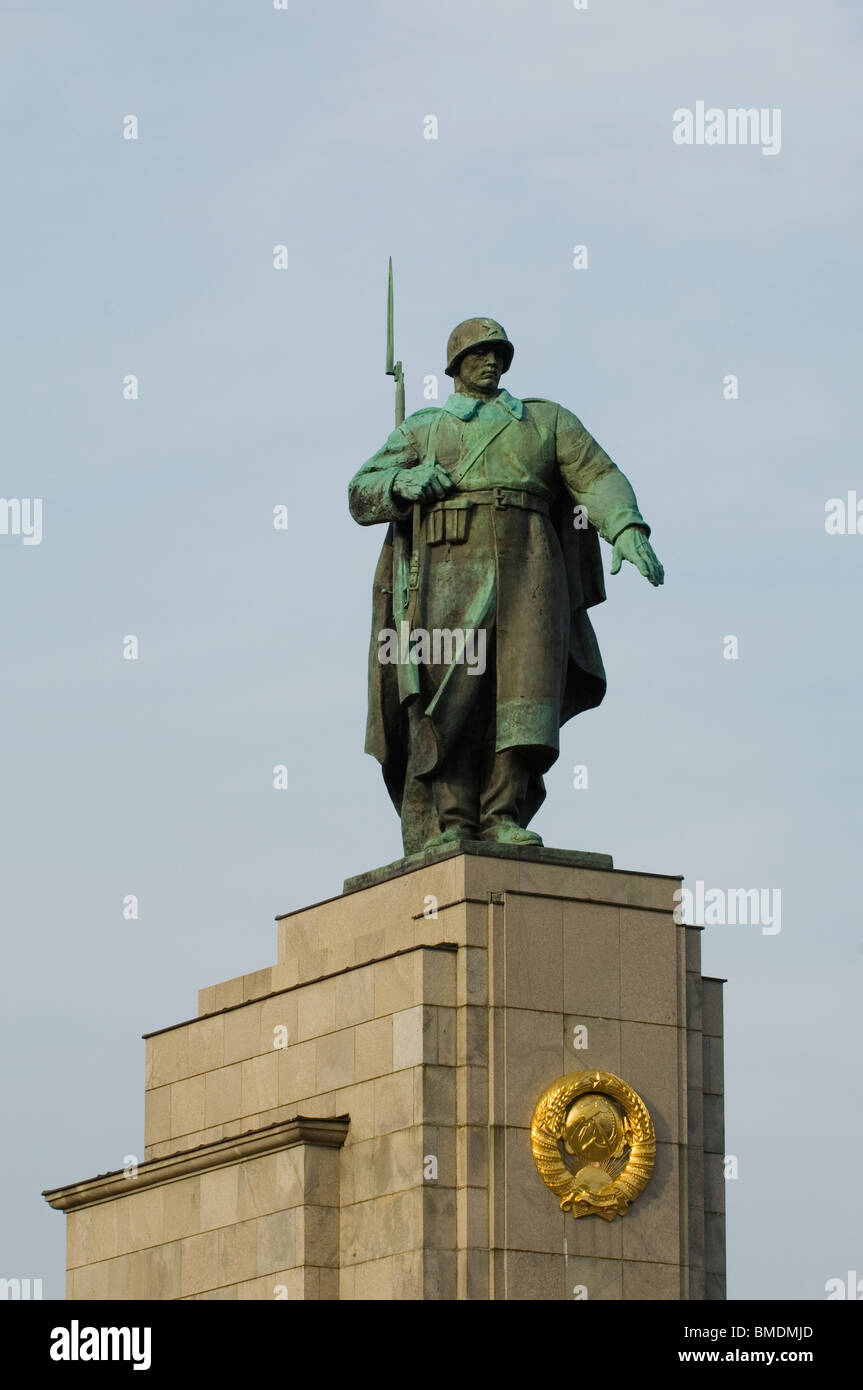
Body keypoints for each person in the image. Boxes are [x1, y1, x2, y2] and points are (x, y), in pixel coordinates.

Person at [349, 317, 664, 855]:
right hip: (449, 564)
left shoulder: (546, 421)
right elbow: (361, 492)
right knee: (451, 693)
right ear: (455, 367)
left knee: (526, 692)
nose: (491, 362)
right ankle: (453, 820)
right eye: (478, 355)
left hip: (532, 563)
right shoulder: (424, 428)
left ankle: (501, 815)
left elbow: (597, 475)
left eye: (498, 354)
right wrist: (402, 482)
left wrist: (627, 527)